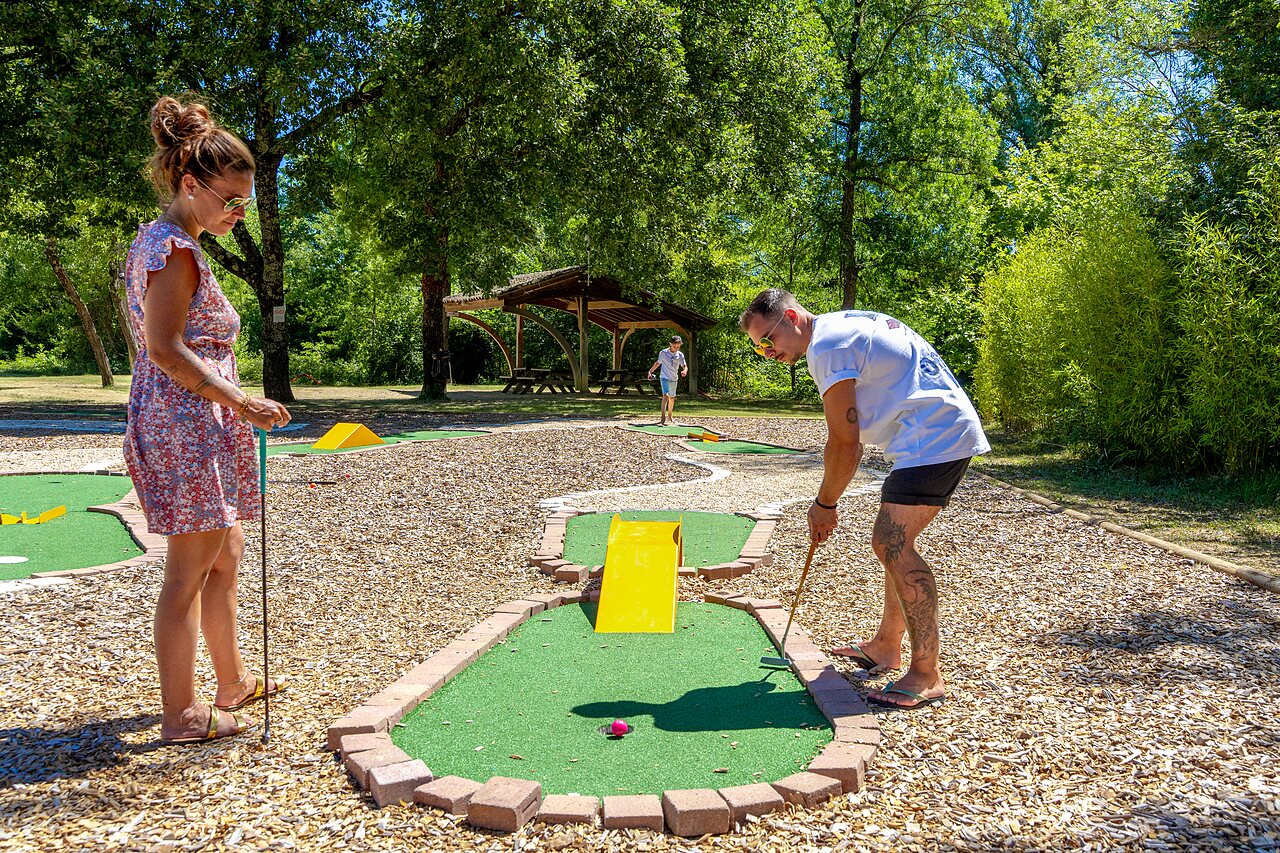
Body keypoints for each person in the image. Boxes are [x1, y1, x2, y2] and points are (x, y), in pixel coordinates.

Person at [124, 95, 291, 744]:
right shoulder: (175, 250)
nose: (238, 212)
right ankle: (183, 714)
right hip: (184, 422)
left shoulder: (170, 240)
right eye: (231, 199)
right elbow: (165, 349)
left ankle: (232, 681)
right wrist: (242, 401)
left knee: (226, 553)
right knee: (187, 571)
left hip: (195, 420)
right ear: (190, 185)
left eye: (244, 201)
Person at [739, 289, 989, 709]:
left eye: (768, 340)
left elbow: (845, 444)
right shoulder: (840, 326)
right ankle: (887, 647)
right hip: (926, 435)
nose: (768, 353)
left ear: (793, 317)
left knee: (891, 543)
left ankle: (927, 674)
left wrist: (825, 504)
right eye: (759, 348)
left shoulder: (827, 346)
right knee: (893, 543)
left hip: (935, 436)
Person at [647, 335, 689, 426]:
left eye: (678, 346)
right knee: (665, 395)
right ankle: (663, 416)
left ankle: (670, 415)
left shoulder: (680, 355)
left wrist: (684, 371)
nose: (676, 348)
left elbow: (684, 366)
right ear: (670, 344)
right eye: (675, 346)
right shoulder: (663, 353)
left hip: (674, 378)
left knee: (672, 397)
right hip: (664, 377)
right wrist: (650, 371)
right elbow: (658, 363)